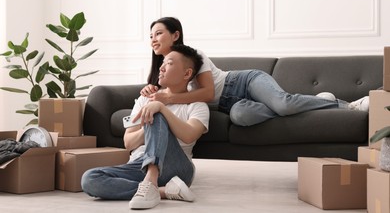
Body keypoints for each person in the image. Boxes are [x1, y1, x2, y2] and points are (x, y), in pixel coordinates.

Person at [141, 17, 369, 126]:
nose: (154, 39)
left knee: (285, 104)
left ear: (175, 35)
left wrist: (170, 97)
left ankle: (345, 105)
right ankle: (314, 101)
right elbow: (162, 98)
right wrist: (151, 90)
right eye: (151, 35)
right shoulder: (162, 70)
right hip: (231, 105)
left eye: (159, 33)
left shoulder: (194, 56)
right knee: (241, 117)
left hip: (243, 82)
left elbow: (208, 92)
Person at [81, 44, 209, 210]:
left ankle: (151, 179)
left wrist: (160, 108)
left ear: (187, 73)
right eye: (162, 63)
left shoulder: (197, 105)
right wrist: (148, 127)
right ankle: (163, 191)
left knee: (155, 112)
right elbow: (128, 142)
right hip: (139, 164)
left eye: (169, 63)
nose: (161, 68)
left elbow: (190, 135)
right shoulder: (144, 99)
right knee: (89, 179)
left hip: (177, 168)